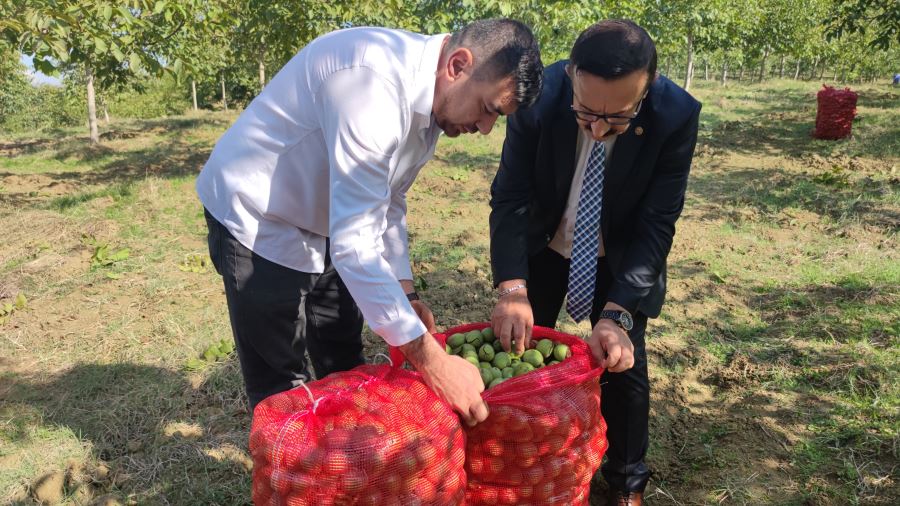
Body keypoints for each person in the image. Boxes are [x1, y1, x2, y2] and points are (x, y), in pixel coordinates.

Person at [196, 20, 543, 426]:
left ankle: (347, 462)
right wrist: (433, 362)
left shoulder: (432, 101)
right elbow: (356, 246)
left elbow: (389, 197)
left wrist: (405, 293)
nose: (485, 128)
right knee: (281, 383)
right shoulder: (371, 86)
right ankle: (296, 479)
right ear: (458, 65)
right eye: (488, 109)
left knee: (343, 358)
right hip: (260, 217)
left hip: (330, 218)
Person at [488, 20, 700, 505]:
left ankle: (627, 480)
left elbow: (657, 223)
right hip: (544, 244)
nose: (599, 128)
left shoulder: (676, 115)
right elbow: (511, 196)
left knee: (623, 365)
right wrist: (512, 288)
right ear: (573, 75)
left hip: (618, 254)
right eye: (585, 112)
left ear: (647, 89)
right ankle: (519, 452)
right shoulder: (539, 98)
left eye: (618, 119)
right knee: (518, 354)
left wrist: (618, 312)